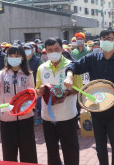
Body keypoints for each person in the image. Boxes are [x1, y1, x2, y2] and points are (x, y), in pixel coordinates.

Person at [64, 28, 114, 165]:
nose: (106, 41)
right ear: (100, 41)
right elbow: (74, 65)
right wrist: (69, 76)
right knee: (100, 147)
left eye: (110, 39)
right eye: (104, 39)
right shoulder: (92, 58)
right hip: (96, 110)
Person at [0, 45, 37, 163]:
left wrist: (24, 108)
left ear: (22, 58)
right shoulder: (1, 74)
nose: (13, 58)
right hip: (7, 120)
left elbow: (31, 94)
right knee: (9, 153)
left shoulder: (28, 74)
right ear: (7, 57)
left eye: (17, 56)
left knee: (28, 152)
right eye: (11, 56)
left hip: (26, 118)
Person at [36, 37, 82, 165]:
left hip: (67, 115)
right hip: (48, 116)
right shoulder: (42, 68)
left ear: (62, 49)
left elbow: (78, 88)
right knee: (52, 150)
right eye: (50, 50)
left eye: (56, 49)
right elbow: (38, 88)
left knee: (70, 149)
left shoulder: (72, 66)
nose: (53, 52)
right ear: (45, 51)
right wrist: (40, 91)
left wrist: (64, 94)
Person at [23, 43, 43, 125]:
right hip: (25, 85)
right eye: (24, 49)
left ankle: (39, 117)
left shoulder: (38, 60)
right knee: (27, 102)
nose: (26, 51)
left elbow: (42, 72)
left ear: (32, 50)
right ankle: (29, 117)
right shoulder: (22, 60)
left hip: (36, 84)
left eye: (28, 49)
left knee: (38, 103)